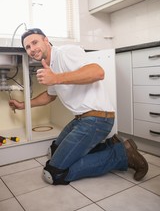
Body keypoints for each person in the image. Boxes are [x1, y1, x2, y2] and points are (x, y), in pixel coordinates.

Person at [9, 28, 148, 185]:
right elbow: (49, 96)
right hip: (81, 120)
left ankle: (122, 155)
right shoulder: (51, 67)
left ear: (46, 40)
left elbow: (98, 72)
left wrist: (56, 78)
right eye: (28, 47)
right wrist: (23, 105)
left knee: (54, 174)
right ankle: (115, 145)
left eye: (35, 42)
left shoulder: (66, 52)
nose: (32, 49)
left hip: (97, 120)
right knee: (53, 150)